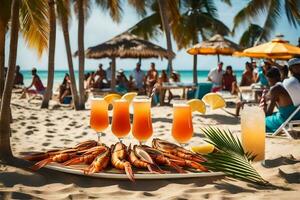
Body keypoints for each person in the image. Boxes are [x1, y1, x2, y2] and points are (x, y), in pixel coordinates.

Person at [264, 59, 300, 133]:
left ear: (290, 69)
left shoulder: (278, 88)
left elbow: (269, 112)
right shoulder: (292, 84)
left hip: (286, 119)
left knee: (260, 121)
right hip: (298, 116)